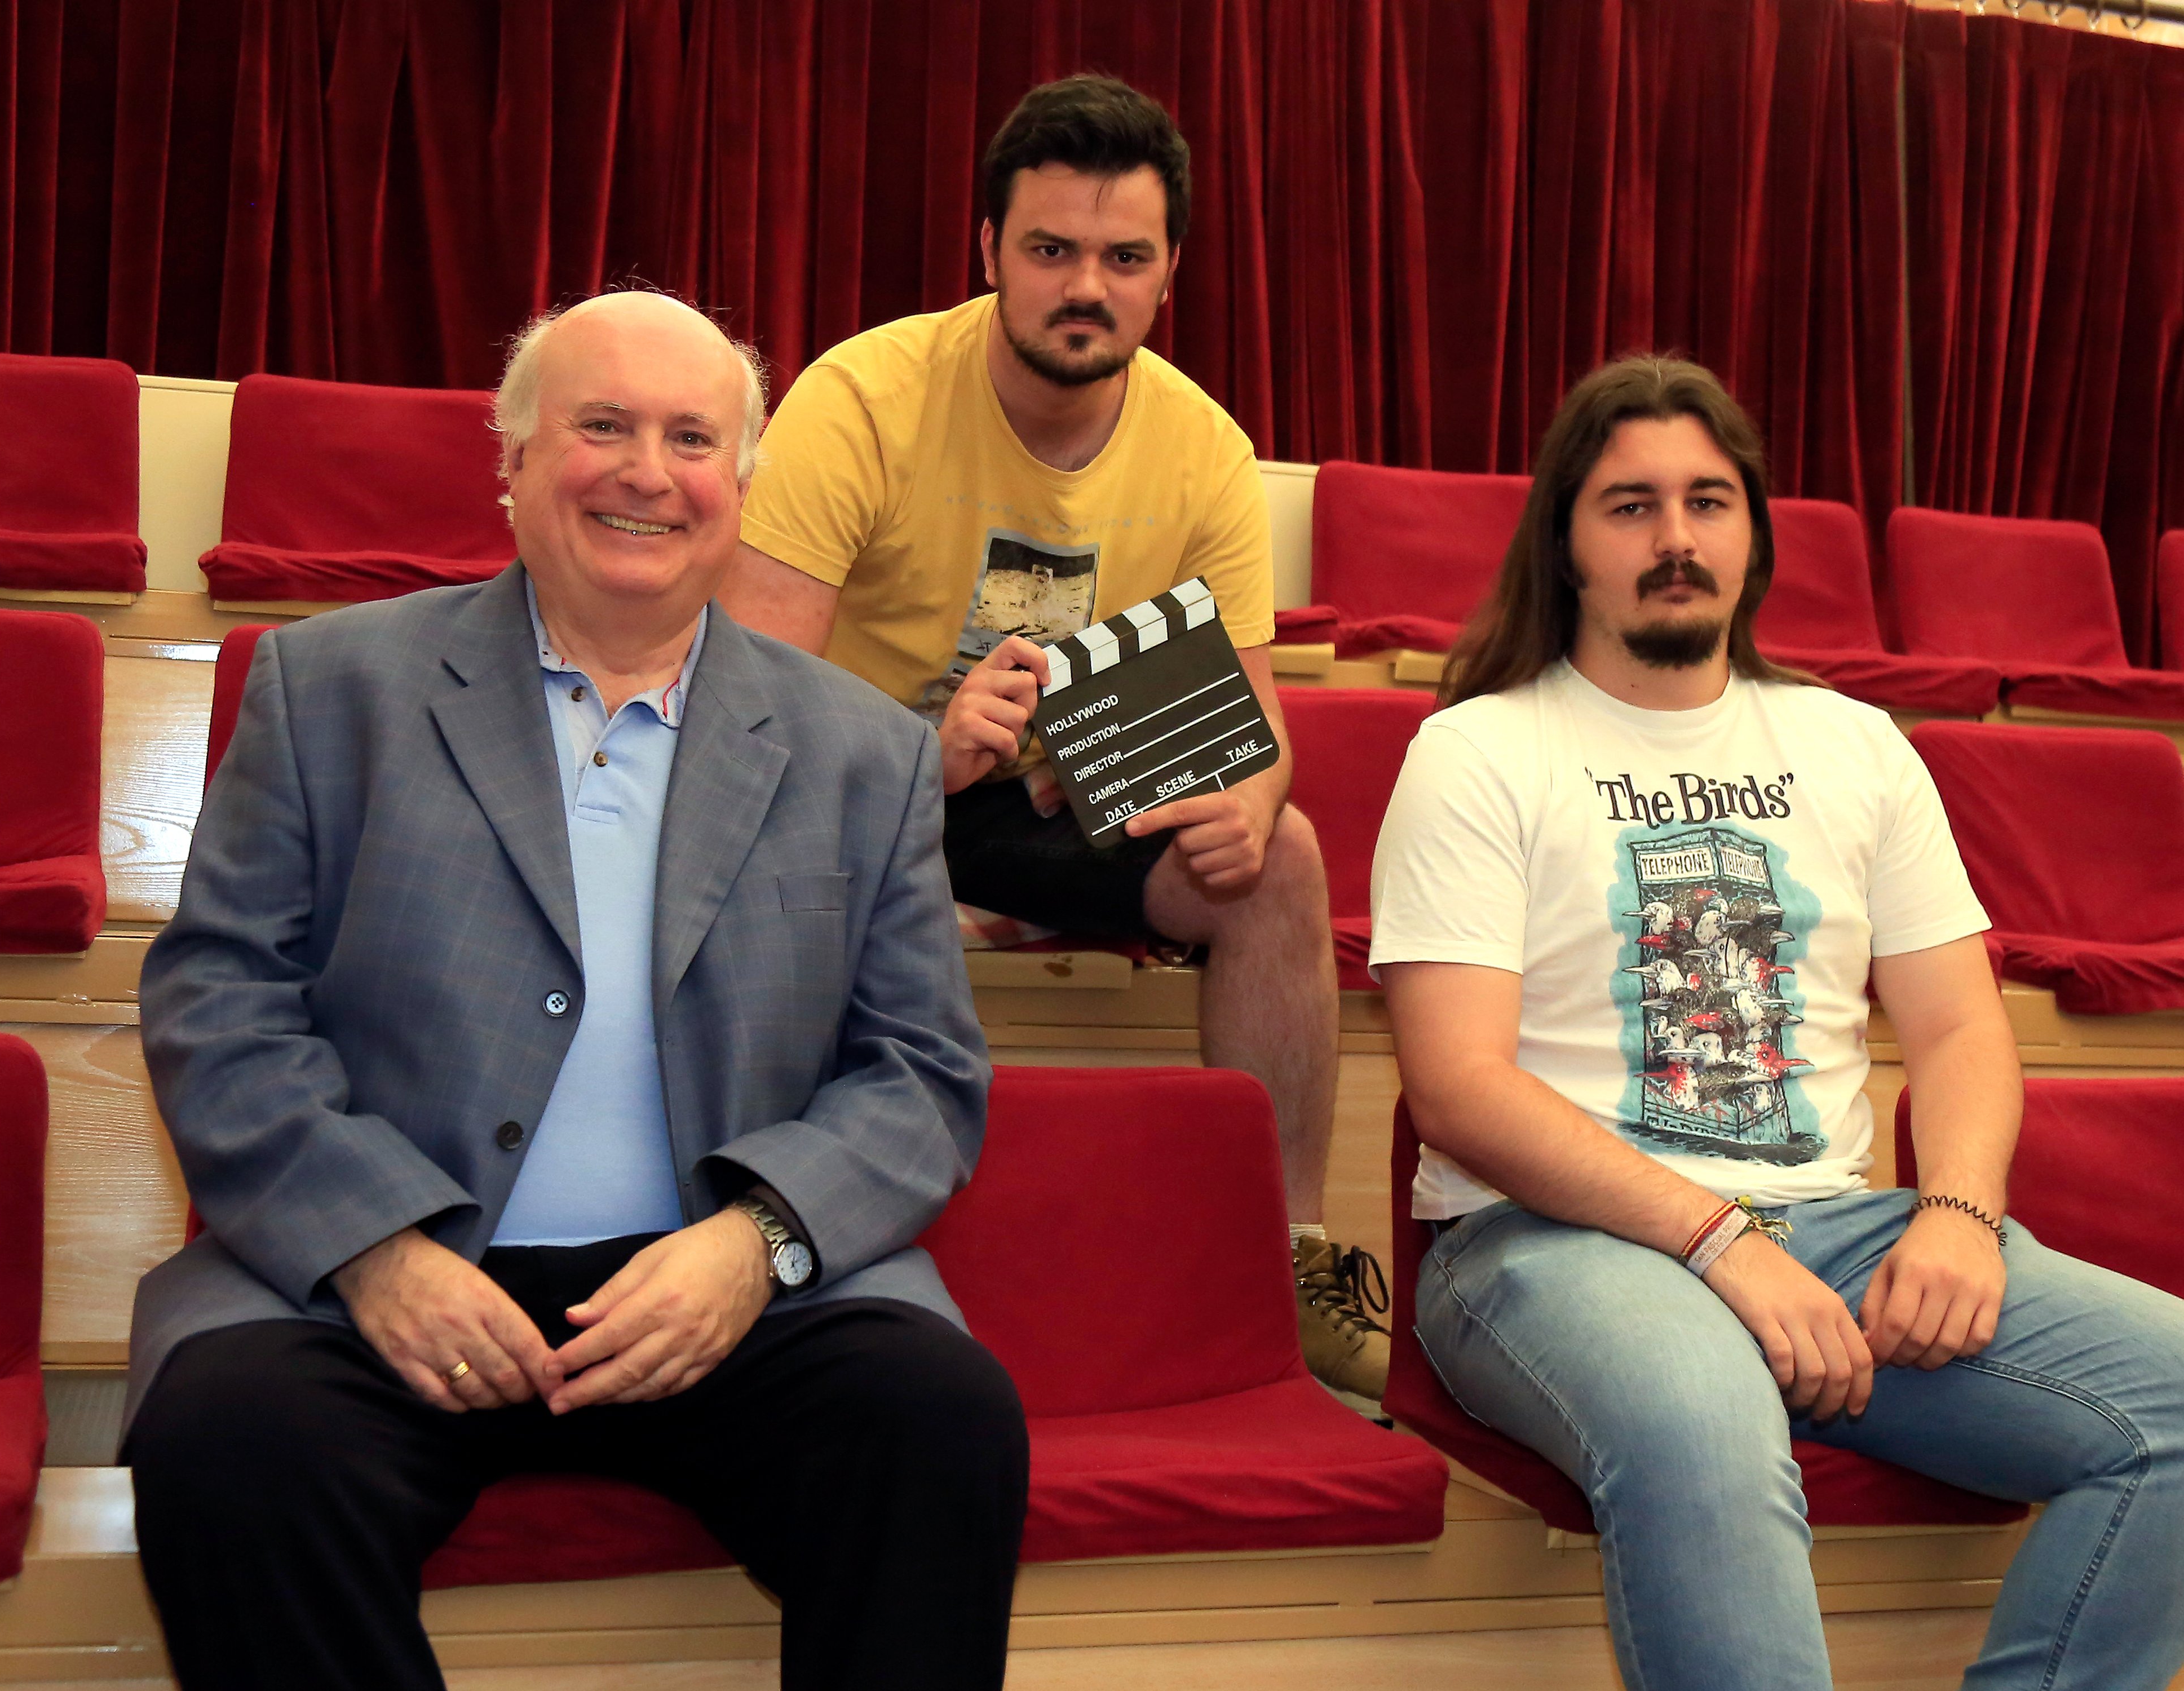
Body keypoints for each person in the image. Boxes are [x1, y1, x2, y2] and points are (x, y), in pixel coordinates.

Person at [121, 291, 1029, 1691]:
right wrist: (376, 1249)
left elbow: (920, 1067)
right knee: (231, 1449)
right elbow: (219, 1006)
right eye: (600, 426)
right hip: (393, 1288)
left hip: (730, 1292)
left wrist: (757, 1244)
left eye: (690, 439)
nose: (645, 473)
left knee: (938, 1422)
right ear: (515, 461)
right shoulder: (328, 687)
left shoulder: (865, 753)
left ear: (739, 485)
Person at [1372, 354, 2184, 1690]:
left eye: (1706, 502)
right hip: (1547, 1243)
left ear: (1752, 535)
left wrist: (1959, 1214)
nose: (1675, 538)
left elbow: (1962, 1030)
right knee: (1701, 1418)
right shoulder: (1478, 751)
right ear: (1564, 541)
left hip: (1831, 1229)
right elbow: (1457, 1087)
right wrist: (1717, 1243)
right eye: (1629, 506)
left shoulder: (1855, 746)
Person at [722, 74, 1383, 1399]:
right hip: (847, 787)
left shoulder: (1205, 448)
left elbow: (1249, 723)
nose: (1085, 286)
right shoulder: (861, 398)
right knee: (772, 821)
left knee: (1283, 860)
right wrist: (919, 757)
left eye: (1122, 258)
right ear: (988, 254)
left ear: (1166, 274)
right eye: (1050, 251)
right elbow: (748, 716)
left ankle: (1286, 1259)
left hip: (1051, 796)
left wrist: (1250, 799)